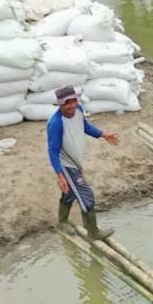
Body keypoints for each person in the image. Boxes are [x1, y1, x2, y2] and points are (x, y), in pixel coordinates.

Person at [46, 85, 119, 240]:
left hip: (76, 161)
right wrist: (60, 176)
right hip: (66, 165)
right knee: (87, 198)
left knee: (70, 192)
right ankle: (93, 233)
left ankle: (62, 221)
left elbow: (85, 126)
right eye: (67, 103)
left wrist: (103, 134)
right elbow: (53, 152)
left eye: (73, 101)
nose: (71, 105)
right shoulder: (56, 124)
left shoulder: (78, 110)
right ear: (60, 105)